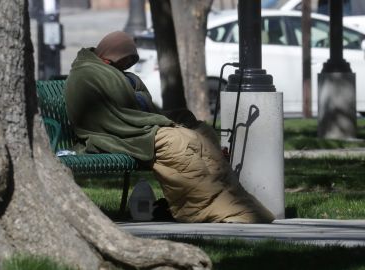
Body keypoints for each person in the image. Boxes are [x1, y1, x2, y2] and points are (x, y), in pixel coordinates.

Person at [64, 31, 274, 223]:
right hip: (113, 133)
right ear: (110, 56)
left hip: (133, 126)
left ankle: (238, 204)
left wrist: (157, 115)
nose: (127, 66)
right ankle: (202, 209)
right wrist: (150, 114)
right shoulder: (88, 73)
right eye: (124, 61)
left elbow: (137, 104)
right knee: (180, 141)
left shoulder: (109, 71)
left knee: (203, 133)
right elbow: (117, 114)